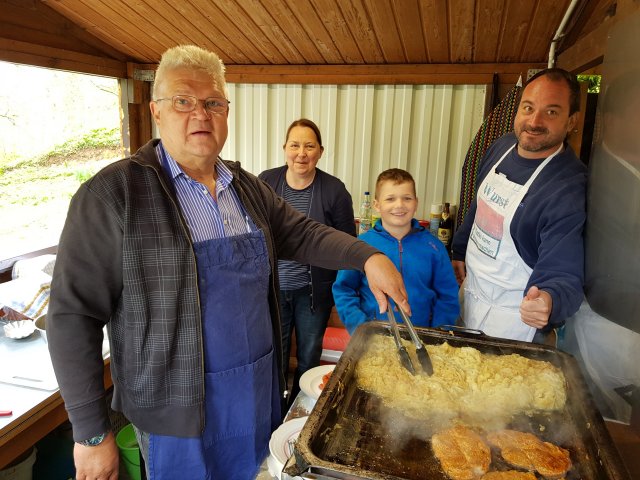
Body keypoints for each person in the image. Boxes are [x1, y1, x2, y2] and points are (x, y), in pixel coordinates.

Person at [47, 45, 411, 480]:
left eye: (213, 103)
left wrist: (368, 255)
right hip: (175, 417)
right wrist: (90, 433)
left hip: (255, 397)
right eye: (183, 100)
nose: (200, 114)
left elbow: (301, 232)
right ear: (157, 111)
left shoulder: (245, 187)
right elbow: (72, 316)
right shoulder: (114, 196)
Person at [451, 68, 587, 342]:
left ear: (571, 120)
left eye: (551, 112)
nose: (534, 121)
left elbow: (564, 268)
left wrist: (549, 299)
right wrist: (460, 247)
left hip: (515, 324)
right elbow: (480, 205)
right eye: (528, 107)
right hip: (471, 298)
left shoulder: (566, 188)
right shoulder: (501, 147)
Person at [259, 119, 355, 404]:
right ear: (284, 148)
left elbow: (346, 241)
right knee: (274, 354)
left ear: (320, 151)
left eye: (309, 146)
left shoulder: (334, 190)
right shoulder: (266, 181)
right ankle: (275, 408)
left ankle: (303, 411)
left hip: (314, 293)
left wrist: (341, 290)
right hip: (273, 290)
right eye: (295, 145)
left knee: (309, 356)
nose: (301, 153)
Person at [332, 168, 460, 334]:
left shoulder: (434, 248)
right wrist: (361, 330)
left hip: (422, 340)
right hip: (373, 340)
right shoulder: (360, 247)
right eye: (390, 199)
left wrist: (437, 334)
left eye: (407, 198)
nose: (399, 205)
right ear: (377, 205)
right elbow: (344, 290)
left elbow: (448, 296)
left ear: (416, 203)